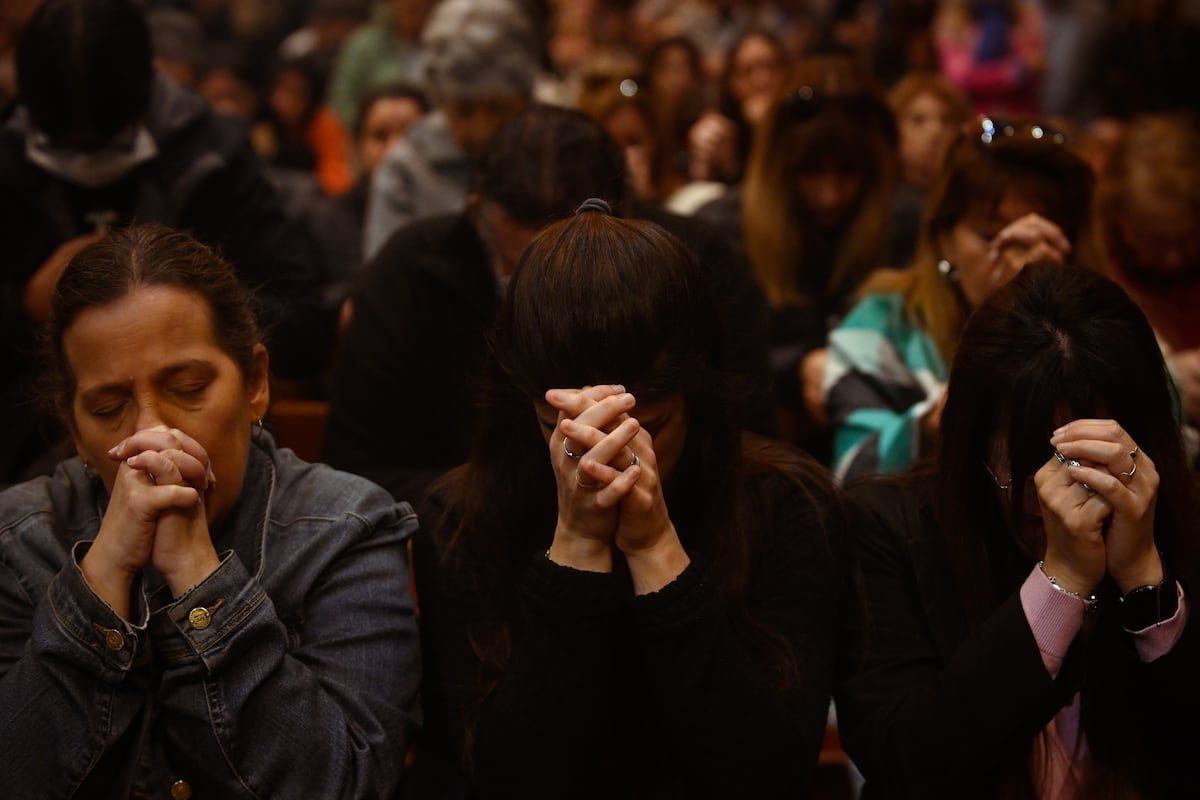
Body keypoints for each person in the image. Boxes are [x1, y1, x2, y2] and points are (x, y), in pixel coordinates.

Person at [412, 199, 844, 795]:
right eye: (562, 431)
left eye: (649, 428)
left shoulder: (788, 504)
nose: (603, 463)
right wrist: (578, 547)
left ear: (695, 397)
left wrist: (656, 549)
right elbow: (504, 778)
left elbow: (770, 774)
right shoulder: (459, 518)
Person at [0, 225, 420, 799]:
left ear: (255, 383)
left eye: (188, 386)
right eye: (108, 406)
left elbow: (349, 783)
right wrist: (99, 582)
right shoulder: (18, 539)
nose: (152, 431)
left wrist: (199, 577)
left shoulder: (348, 527)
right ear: (73, 430)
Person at [836, 263, 1199, 796]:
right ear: (975, 438)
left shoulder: (1182, 517)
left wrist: (1144, 579)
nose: (1056, 490)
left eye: (1088, 459)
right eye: (1028, 456)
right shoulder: (883, 527)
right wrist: (1063, 580)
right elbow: (904, 760)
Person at [324, 104, 773, 505]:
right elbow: (359, 471)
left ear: (628, 215)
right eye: (520, 268)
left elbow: (746, 439)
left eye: (584, 258)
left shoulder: (696, 259)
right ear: (479, 214)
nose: (548, 292)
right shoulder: (411, 270)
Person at [0, 0, 332, 485]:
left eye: (106, 140)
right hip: (24, 462)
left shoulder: (212, 156)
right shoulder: (9, 162)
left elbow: (303, 321)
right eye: (66, 143)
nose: (88, 154)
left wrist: (190, 313)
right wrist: (23, 306)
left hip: (219, 474)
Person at [825, 117, 1095, 482]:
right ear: (944, 238)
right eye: (991, 235)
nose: (1021, 259)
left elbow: (1163, 445)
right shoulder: (883, 321)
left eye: (1043, 236)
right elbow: (851, 471)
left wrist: (1059, 316)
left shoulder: (1105, 324)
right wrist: (938, 422)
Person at [697, 55, 897, 449]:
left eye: (848, 170)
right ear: (780, 168)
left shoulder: (902, 221)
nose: (831, 195)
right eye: (811, 171)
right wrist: (795, 367)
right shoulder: (722, 229)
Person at [362, 0, 540, 259]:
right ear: (439, 101)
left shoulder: (559, 151)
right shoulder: (404, 170)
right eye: (464, 111)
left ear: (526, 97)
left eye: (497, 108)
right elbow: (387, 285)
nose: (482, 130)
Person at [1095, 114, 1200, 428]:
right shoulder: (1093, 257)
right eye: (1156, 241)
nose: (1173, 259)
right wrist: (1168, 379)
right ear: (1119, 218)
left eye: (1186, 239)